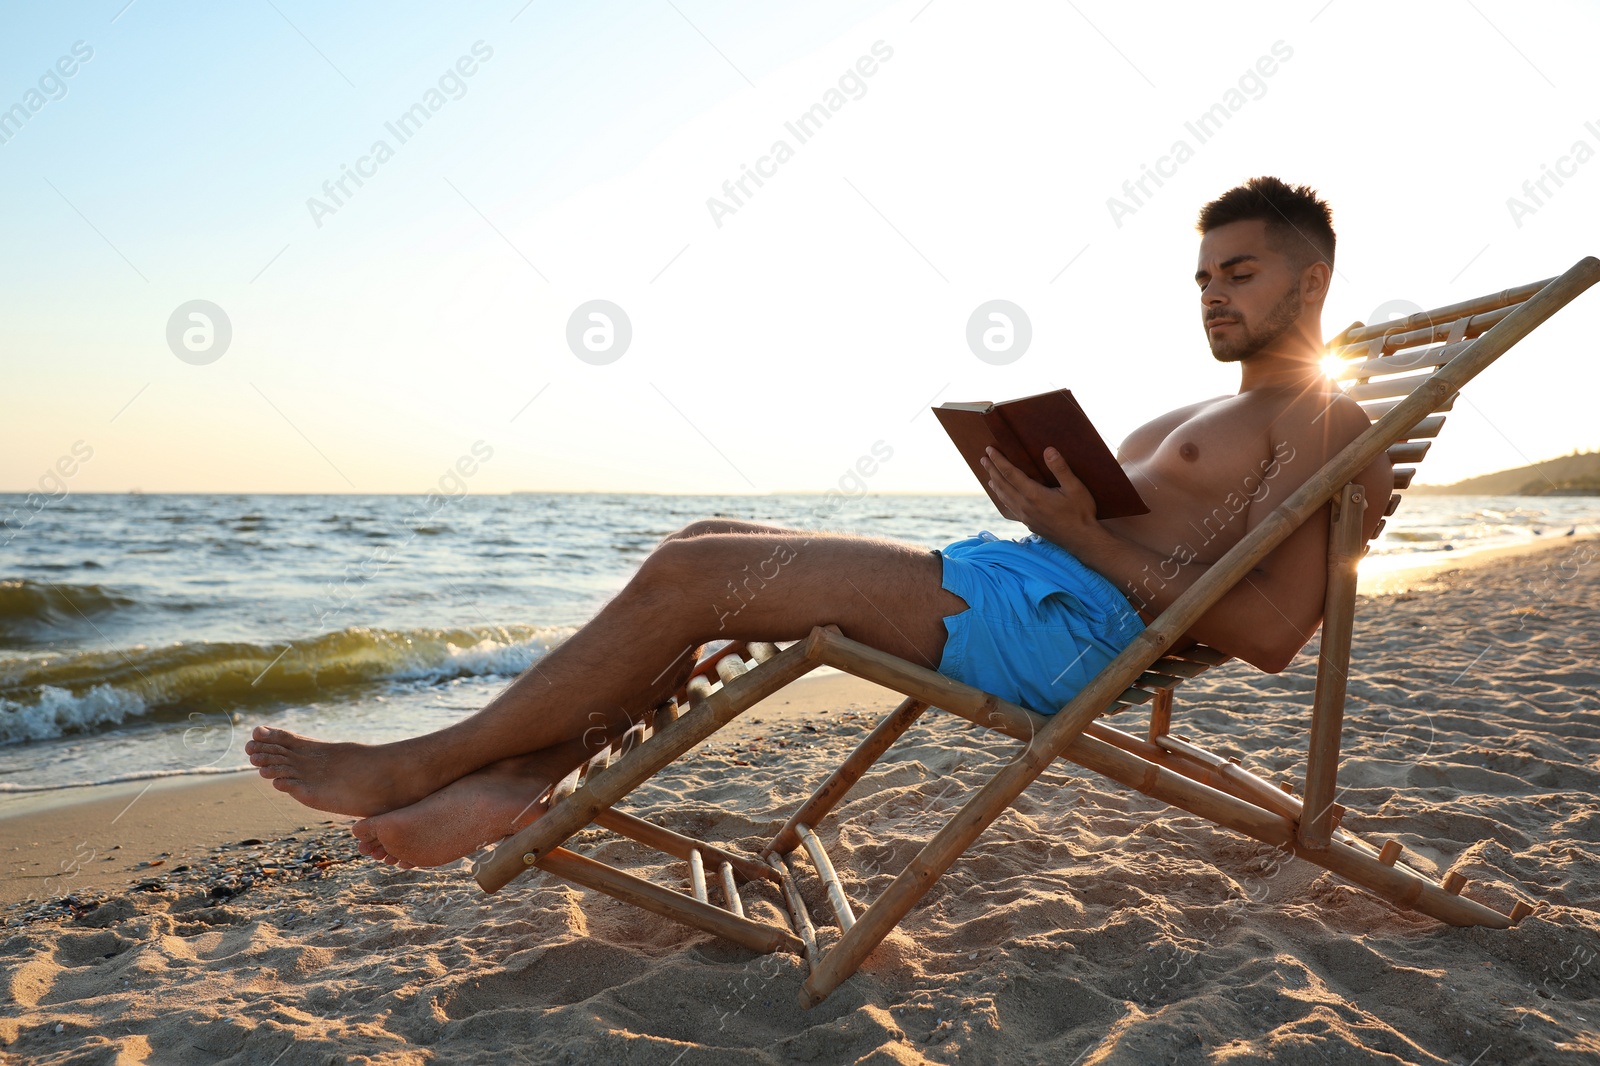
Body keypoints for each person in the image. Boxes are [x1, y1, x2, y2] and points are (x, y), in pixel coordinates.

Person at [247, 176, 1391, 868]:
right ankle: (523, 776)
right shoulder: (1212, 409)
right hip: (1026, 586)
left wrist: (1073, 529)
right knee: (706, 538)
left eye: (1239, 275)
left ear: (1309, 283)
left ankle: (417, 765)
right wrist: (1045, 508)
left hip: (1061, 626)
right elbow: (1144, 539)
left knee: (691, 579)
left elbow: (1273, 631)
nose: (1212, 296)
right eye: (1202, 277)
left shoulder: (1323, 420)